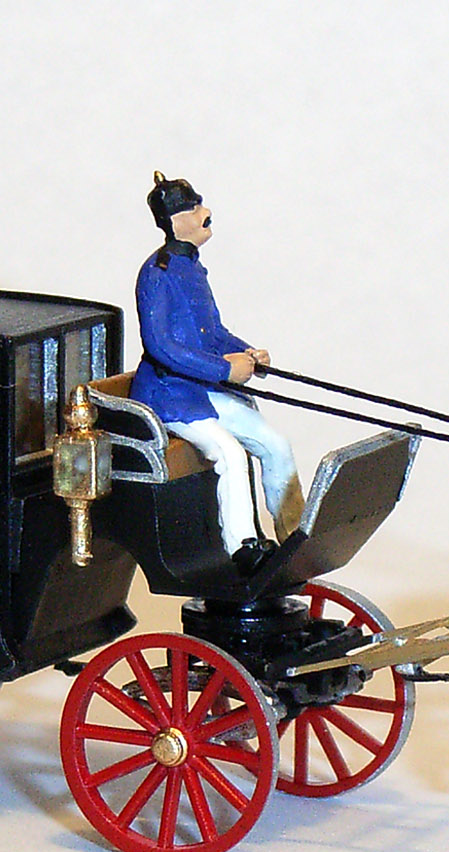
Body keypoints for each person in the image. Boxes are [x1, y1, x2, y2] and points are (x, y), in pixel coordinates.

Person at [130, 172, 304, 572]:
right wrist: (224, 368)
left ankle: (294, 534)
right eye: (194, 208)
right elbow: (161, 346)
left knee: (274, 443)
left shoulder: (193, 268)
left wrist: (247, 353)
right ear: (176, 220)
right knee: (229, 453)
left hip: (205, 388)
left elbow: (213, 333)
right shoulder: (156, 273)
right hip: (170, 395)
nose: (204, 213)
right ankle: (243, 548)